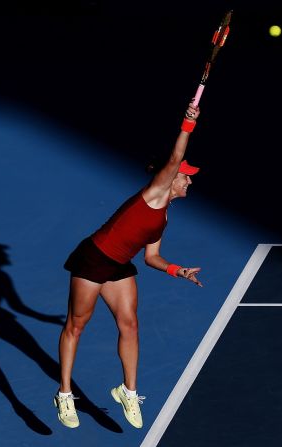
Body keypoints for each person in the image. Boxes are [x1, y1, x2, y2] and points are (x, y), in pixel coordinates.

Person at [53, 101, 204, 429]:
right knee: (77, 326)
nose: (190, 181)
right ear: (171, 177)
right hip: (94, 258)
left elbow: (150, 257)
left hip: (118, 265)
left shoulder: (163, 215)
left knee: (130, 325)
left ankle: (128, 391)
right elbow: (176, 157)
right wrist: (187, 124)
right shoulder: (156, 193)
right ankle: (65, 394)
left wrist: (177, 270)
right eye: (186, 177)